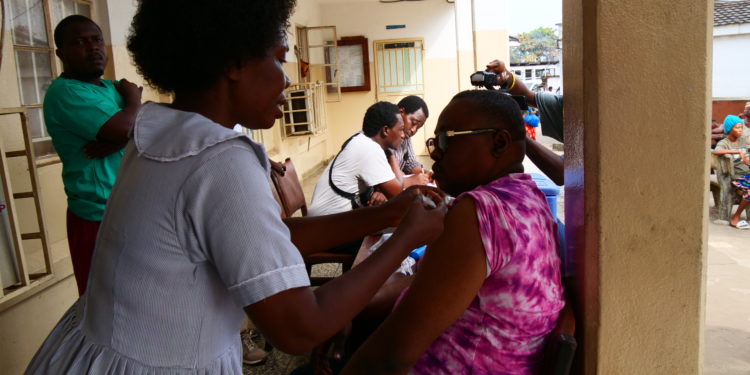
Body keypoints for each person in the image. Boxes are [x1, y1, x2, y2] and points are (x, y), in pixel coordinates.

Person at [24, 1, 447, 374]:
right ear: (234, 62)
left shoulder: (161, 132)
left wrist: (388, 213)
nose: (286, 81)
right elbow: (299, 328)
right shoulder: (219, 157)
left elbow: (267, 235)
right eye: (279, 60)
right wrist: (407, 236)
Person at [342, 90, 565, 375]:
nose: (436, 153)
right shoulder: (528, 197)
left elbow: (391, 355)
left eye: (447, 139)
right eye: (435, 142)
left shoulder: (478, 211)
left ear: (499, 142)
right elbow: (422, 284)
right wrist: (350, 310)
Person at [43, 15, 142, 295]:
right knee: (105, 306)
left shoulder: (110, 88)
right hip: (97, 217)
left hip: (130, 211)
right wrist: (133, 102)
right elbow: (127, 126)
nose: (93, 48)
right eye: (79, 42)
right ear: (61, 53)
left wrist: (120, 139)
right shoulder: (66, 93)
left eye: (97, 40)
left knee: (140, 301)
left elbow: (146, 126)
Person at [308, 101, 406, 217]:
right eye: (401, 129)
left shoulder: (362, 139)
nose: (403, 135)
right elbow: (399, 197)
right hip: (327, 223)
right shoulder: (369, 148)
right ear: (385, 130)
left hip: (330, 218)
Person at [486, 59, 564, 185]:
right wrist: (507, 77)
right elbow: (529, 97)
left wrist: (516, 131)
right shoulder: (570, 103)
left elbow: (564, 172)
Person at [713, 115, 750, 230]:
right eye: (737, 128)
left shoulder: (743, 140)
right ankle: (736, 216)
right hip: (736, 177)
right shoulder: (725, 142)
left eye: (741, 128)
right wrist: (737, 152)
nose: (740, 130)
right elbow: (717, 151)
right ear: (730, 129)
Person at [390, 96, 431, 187]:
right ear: (401, 113)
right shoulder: (384, 136)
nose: (414, 130)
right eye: (414, 123)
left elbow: (410, 162)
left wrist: (425, 173)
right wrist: (409, 179)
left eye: (418, 128)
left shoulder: (405, 137)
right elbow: (384, 172)